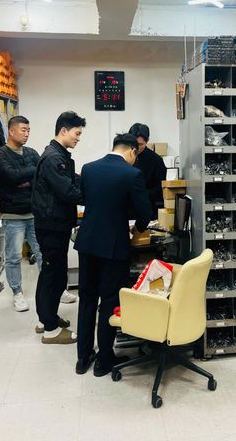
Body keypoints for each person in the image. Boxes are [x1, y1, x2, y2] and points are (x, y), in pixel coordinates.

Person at [74, 133, 152, 376]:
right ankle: (103, 360)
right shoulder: (132, 174)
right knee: (109, 301)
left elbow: (86, 200)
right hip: (114, 246)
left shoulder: (88, 169)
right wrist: (138, 228)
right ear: (132, 151)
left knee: (87, 299)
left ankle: (83, 358)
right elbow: (145, 212)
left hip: (87, 243)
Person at [32, 111, 86, 344]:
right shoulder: (54, 158)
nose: (78, 138)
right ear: (64, 130)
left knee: (52, 273)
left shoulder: (58, 155)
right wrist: (95, 195)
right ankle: (50, 329)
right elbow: (68, 191)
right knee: (52, 274)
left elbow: (72, 180)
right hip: (52, 225)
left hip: (54, 223)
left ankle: (47, 318)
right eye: (77, 133)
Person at [0, 116, 42, 312]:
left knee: (43, 253)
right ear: (11, 132)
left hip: (34, 213)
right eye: (23, 130)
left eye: (29, 130)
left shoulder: (32, 153)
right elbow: (11, 177)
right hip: (13, 215)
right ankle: (17, 293)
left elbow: (40, 176)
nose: (27, 134)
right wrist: (30, 174)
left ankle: (52, 290)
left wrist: (25, 180)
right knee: (13, 257)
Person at [128, 123, 167, 219]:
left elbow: (160, 187)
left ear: (147, 141)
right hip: (125, 209)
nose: (136, 148)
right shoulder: (123, 157)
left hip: (146, 208)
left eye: (140, 144)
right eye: (134, 143)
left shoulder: (156, 160)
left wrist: (142, 195)